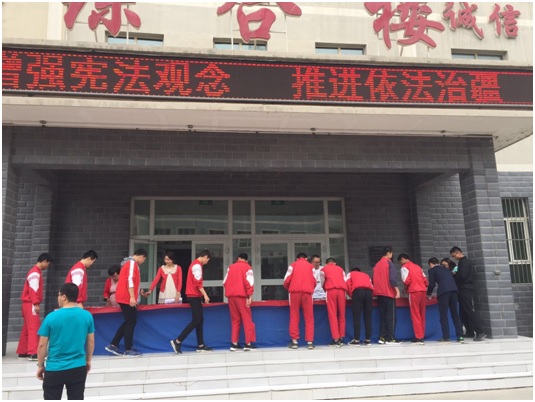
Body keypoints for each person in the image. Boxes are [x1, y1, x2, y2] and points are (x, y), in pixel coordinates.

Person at [36, 283, 94, 400]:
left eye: (58, 295)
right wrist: (88, 360)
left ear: (64, 297)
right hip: (78, 366)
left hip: (55, 368)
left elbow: (42, 345)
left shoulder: (51, 317)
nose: (58, 298)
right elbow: (91, 341)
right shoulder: (87, 316)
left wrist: (40, 365)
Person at [105, 248, 147, 357]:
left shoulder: (127, 263)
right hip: (126, 297)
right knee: (131, 322)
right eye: (144, 260)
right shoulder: (132, 264)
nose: (143, 262)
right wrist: (132, 297)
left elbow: (130, 281)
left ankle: (114, 344)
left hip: (124, 297)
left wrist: (138, 291)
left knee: (129, 321)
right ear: (142, 256)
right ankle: (128, 348)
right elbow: (130, 280)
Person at [170, 250, 213, 354]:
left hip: (194, 295)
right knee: (197, 320)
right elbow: (198, 283)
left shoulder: (195, 265)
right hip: (194, 296)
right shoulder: (197, 266)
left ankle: (200, 345)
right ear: (205, 257)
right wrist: (205, 295)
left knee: (199, 320)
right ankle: (177, 341)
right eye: (208, 260)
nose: (207, 262)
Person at [17, 253, 52, 361]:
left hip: (27, 304)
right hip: (31, 303)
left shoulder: (33, 272)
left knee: (27, 328)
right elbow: (34, 290)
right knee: (34, 327)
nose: (47, 266)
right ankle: (33, 353)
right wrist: (36, 303)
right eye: (48, 263)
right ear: (44, 261)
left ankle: (23, 351)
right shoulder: (35, 273)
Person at [449, 246, 487, 341]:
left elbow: (463, 276)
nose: (454, 258)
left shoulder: (464, 262)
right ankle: (469, 331)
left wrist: (455, 277)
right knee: (464, 311)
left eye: (454, 256)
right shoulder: (461, 262)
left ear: (458, 253)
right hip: (463, 288)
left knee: (469, 310)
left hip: (465, 288)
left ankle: (480, 331)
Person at [223, 253, 257, 351]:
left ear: (238, 258)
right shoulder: (248, 268)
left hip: (231, 297)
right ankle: (248, 343)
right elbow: (249, 283)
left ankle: (234, 343)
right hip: (242, 297)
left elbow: (224, 282)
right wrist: (250, 296)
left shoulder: (230, 267)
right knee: (247, 320)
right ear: (246, 260)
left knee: (235, 320)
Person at [283, 252, 317, 350]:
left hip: (294, 293)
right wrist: (310, 288)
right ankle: (310, 342)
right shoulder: (311, 267)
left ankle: (294, 342)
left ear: (297, 258)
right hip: (307, 293)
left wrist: (290, 288)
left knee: (294, 317)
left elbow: (286, 280)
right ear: (306, 258)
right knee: (309, 318)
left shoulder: (292, 265)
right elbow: (315, 281)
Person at [427, 257, 464, 343]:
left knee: (443, 315)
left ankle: (446, 337)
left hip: (443, 292)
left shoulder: (432, 270)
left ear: (431, 264)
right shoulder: (446, 269)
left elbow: (432, 284)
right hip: (454, 291)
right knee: (455, 314)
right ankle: (460, 336)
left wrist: (428, 293)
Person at [398, 254, 429, 345]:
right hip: (423, 291)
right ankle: (422, 335)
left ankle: (418, 336)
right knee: (422, 313)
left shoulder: (404, 267)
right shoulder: (418, 267)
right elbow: (426, 281)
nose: (400, 264)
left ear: (403, 259)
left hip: (414, 291)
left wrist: (405, 288)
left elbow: (406, 280)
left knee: (415, 314)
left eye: (400, 262)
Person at [372, 247, 400, 344]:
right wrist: (397, 291)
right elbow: (392, 279)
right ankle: (390, 337)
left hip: (379, 293)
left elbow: (373, 279)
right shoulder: (389, 263)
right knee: (391, 316)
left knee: (383, 316)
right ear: (388, 253)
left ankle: (382, 337)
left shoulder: (377, 265)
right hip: (388, 293)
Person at [320, 257, 348, 347]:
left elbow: (322, 282)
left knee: (333, 315)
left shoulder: (323, 269)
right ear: (335, 263)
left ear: (326, 263)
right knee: (342, 314)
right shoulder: (341, 269)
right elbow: (345, 280)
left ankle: (336, 338)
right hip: (342, 291)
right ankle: (341, 337)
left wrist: (325, 289)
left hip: (331, 291)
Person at [346, 267, 373, 346]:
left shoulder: (350, 274)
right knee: (368, 316)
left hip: (358, 291)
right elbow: (371, 285)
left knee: (357, 316)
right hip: (369, 292)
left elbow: (347, 284)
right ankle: (368, 339)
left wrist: (351, 295)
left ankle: (356, 339)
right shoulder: (366, 275)